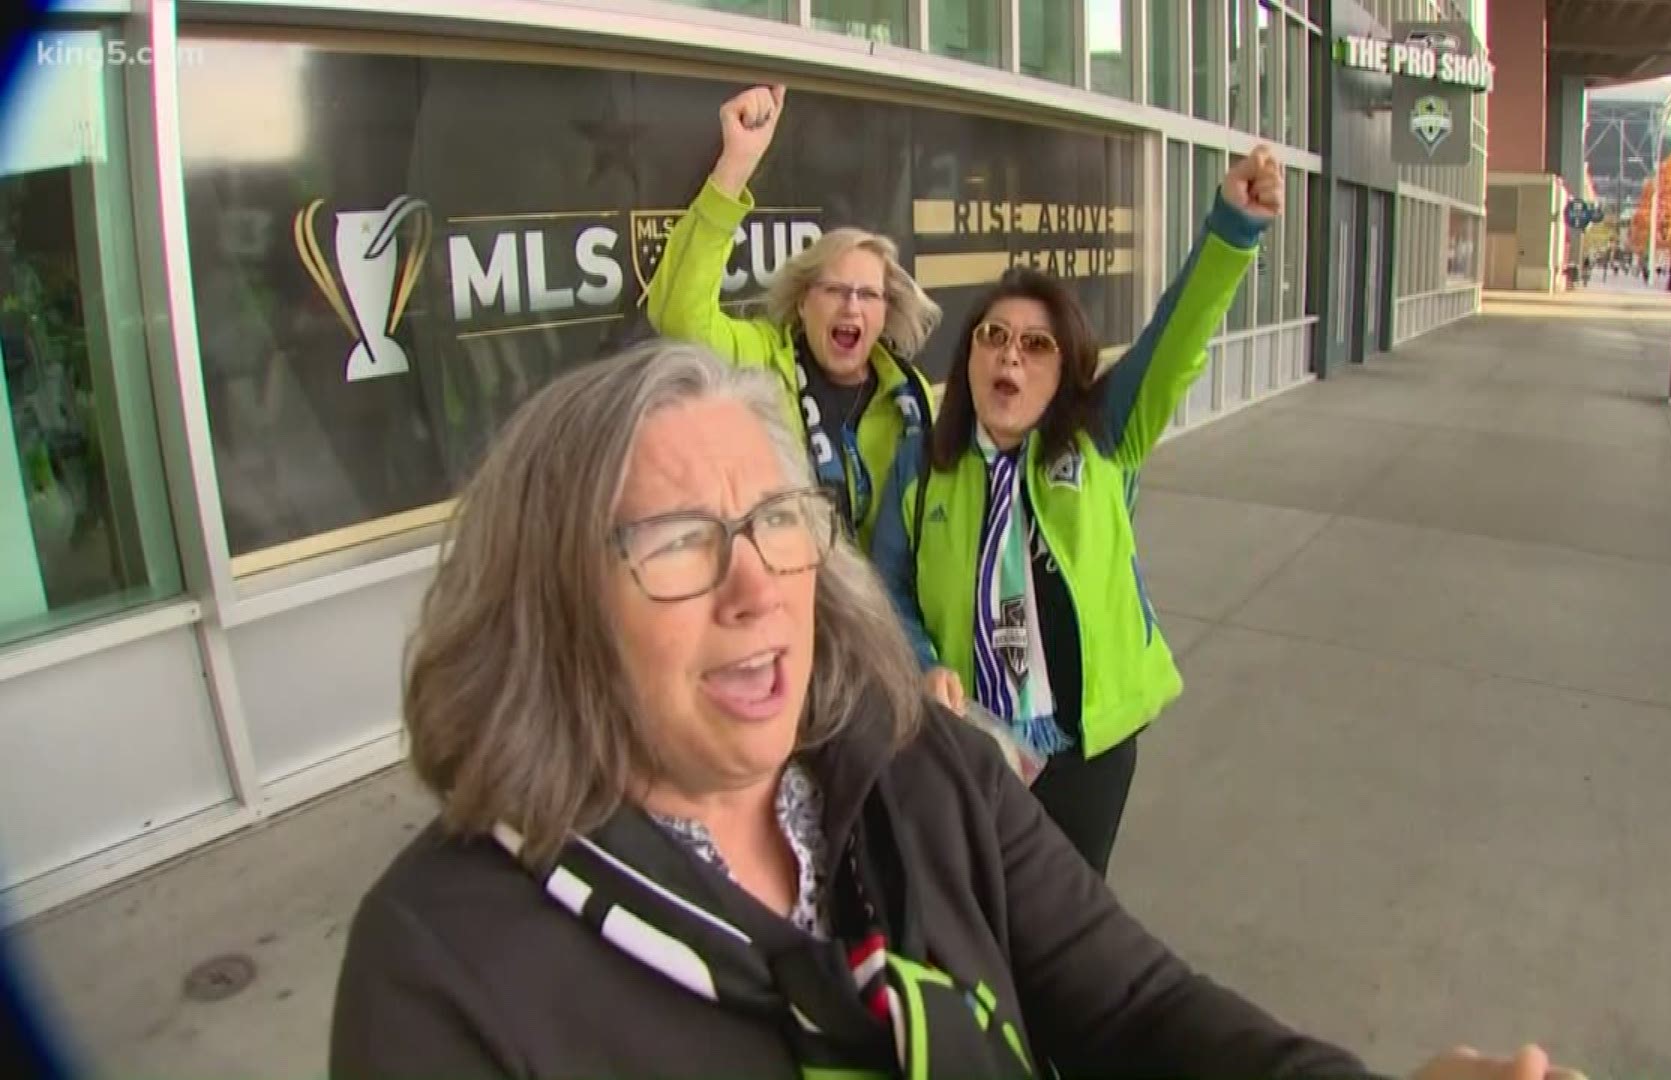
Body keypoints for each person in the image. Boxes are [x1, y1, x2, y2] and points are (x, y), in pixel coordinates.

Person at [329, 340, 1576, 1080]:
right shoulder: (441, 965)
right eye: (675, 543)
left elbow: (1139, 1014)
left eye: (777, 519)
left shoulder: (928, 774)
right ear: (554, 605)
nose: (757, 585)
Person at [867, 147, 1270, 879]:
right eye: (992, 338)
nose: (1009, 358)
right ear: (968, 360)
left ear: (1066, 368)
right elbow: (885, 586)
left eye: (1035, 344)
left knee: (1068, 917)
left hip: (1087, 748)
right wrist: (923, 666)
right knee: (978, 907)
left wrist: (1232, 227)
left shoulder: (1102, 439)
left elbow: (1174, 339)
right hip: (976, 739)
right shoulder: (924, 463)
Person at [648, 84, 939, 549]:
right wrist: (736, 166)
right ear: (804, 301)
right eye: (836, 290)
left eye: (868, 295)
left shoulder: (911, 395)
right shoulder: (761, 363)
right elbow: (680, 316)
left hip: (885, 610)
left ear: (887, 311)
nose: (852, 306)